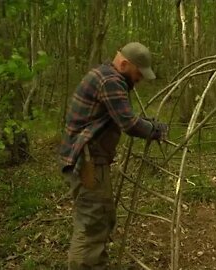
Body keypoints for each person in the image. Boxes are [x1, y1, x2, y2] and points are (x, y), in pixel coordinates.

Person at [59, 42, 168, 269]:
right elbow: (128, 123)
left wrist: (147, 123)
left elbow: (120, 115)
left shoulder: (104, 75)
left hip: (89, 160)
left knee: (99, 219)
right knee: (93, 224)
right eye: (138, 74)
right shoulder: (111, 81)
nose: (138, 81)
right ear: (125, 64)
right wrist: (155, 131)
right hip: (88, 162)